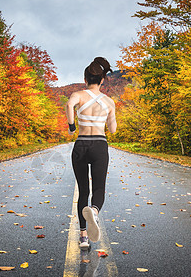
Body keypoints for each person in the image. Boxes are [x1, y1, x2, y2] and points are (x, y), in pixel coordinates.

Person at [65, 57, 117, 250]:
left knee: (83, 191)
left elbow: (69, 105)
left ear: (85, 79)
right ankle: (94, 212)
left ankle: (84, 237)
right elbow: (112, 130)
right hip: (99, 146)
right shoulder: (109, 102)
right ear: (102, 80)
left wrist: (72, 126)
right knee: (99, 189)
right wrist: (110, 120)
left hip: (81, 146)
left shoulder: (78, 95)